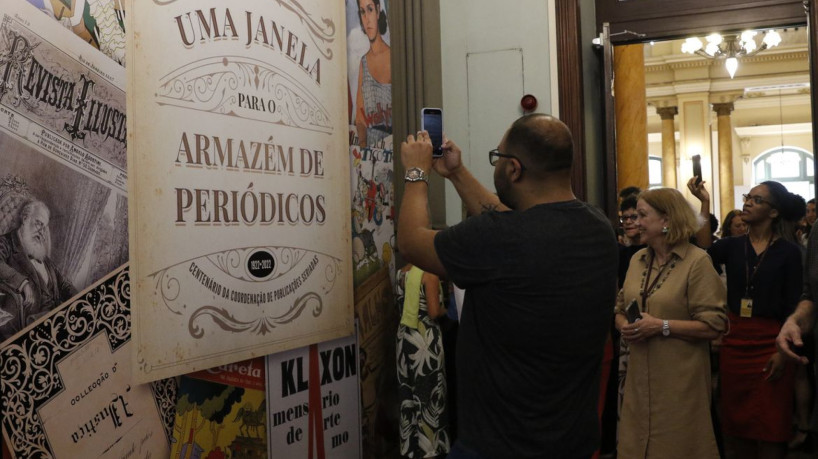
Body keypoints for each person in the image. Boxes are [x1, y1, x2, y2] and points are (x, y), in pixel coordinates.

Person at [397, 114, 618, 458]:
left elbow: (411, 243)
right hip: (572, 440)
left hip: (498, 444)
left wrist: (416, 172)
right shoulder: (597, 227)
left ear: (514, 169)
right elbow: (513, 222)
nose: (496, 165)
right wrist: (456, 172)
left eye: (497, 158)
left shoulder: (499, 239)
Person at [692, 180, 805, 459]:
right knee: (736, 423)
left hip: (772, 341)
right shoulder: (732, 245)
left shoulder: (789, 252)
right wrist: (704, 202)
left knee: (771, 424)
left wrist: (783, 351)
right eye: (747, 197)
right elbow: (704, 250)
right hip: (736, 342)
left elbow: (794, 304)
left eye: (756, 200)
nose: (748, 203)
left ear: (774, 212)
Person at [614, 188, 727, 459]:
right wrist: (624, 326)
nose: (634, 222)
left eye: (642, 215)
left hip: (679, 383)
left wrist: (662, 326)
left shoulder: (697, 262)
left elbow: (715, 325)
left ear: (666, 220)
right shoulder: (636, 260)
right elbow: (618, 309)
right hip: (637, 379)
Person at [395, 263, 450, 458]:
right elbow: (434, 311)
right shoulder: (430, 275)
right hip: (424, 339)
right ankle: (430, 448)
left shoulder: (400, 273)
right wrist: (449, 310)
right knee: (430, 391)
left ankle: (410, 447)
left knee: (408, 390)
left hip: (404, 337)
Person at [0, 200, 76, 341]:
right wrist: (22, 283)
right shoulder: (7, 243)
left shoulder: (40, 253)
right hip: (33, 324)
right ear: (25, 219)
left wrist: (79, 300)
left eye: (44, 227)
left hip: (58, 318)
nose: (42, 232)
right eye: (39, 224)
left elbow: (64, 283)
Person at [354, 0, 391, 148]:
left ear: (377, 10)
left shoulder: (392, 56)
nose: (367, 19)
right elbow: (360, 119)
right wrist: (364, 151)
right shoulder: (363, 63)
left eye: (370, 10)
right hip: (372, 156)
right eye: (363, 12)